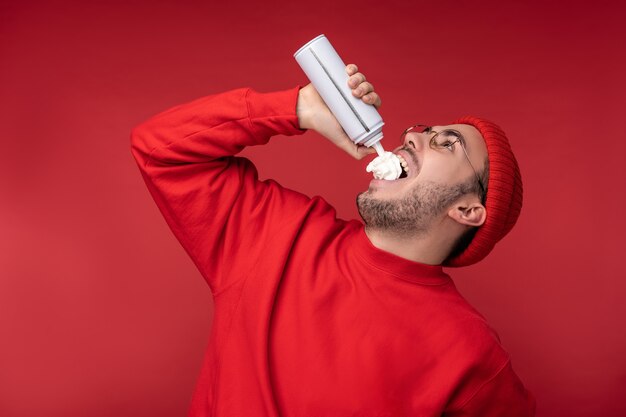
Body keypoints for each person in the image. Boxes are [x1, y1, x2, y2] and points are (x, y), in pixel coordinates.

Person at [131, 63, 535, 416]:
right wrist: (300, 109)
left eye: (447, 144)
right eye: (424, 130)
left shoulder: (470, 352)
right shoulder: (276, 232)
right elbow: (161, 150)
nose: (414, 136)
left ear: (467, 211)